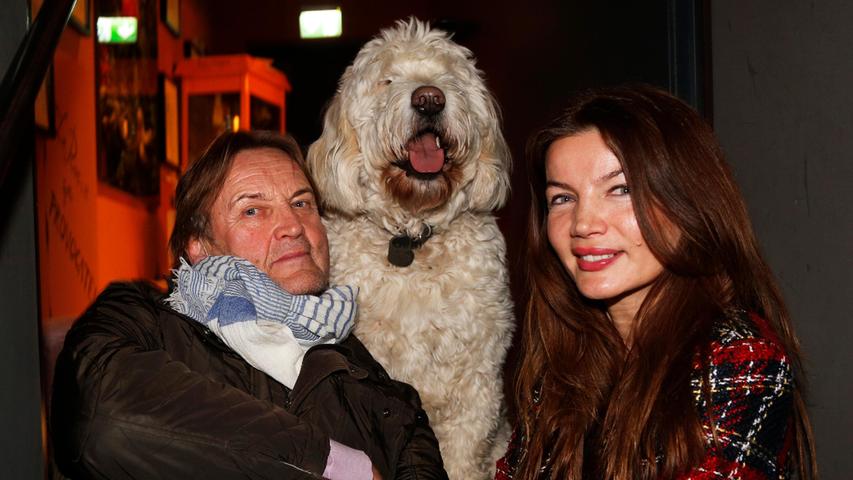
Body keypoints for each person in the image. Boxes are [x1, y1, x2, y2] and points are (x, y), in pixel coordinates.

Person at [51, 130, 448, 480]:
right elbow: (105, 420)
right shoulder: (146, 322)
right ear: (201, 248)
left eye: (301, 203)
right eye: (253, 210)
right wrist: (336, 465)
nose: (292, 225)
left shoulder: (374, 386)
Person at [496, 85, 817, 479]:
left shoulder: (741, 360)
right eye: (562, 198)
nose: (582, 224)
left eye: (621, 190)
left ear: (688, 203)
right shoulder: (565, 360)